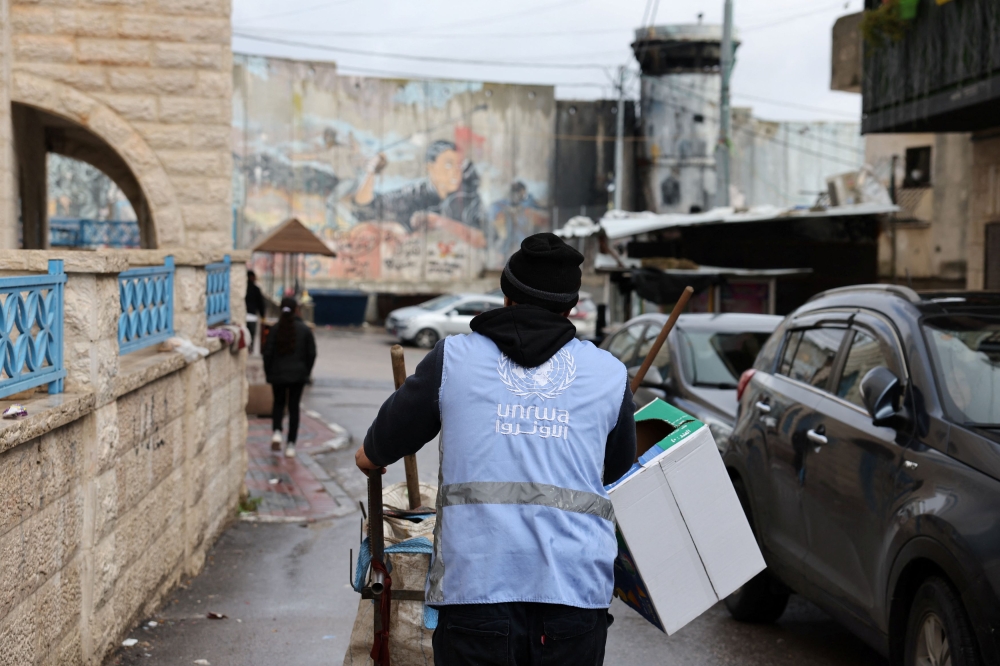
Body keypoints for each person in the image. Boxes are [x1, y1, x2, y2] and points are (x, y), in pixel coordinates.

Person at [355, 233, 636, 665]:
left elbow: (370, 457)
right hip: (574, 596)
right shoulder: (610, 375)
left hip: (476, 593)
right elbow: (615, 470)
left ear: (506, 296)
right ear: (571, 307)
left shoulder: (453, 360)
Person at [352, 140, 485, 231]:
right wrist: (372, 172)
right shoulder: (414, 195)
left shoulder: (469, 198)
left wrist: (441, 223)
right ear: (430, 167)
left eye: (459, 165)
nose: (456, 172)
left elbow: (486, 237)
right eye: (448, 165)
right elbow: (366, 206)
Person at [263, 297, 316, 458]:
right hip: (298, 376)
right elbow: (312, 354)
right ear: (296, 310)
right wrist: (306, 372)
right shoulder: (305, 330)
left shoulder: (275, 329)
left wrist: (269, 373)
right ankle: (291, 445)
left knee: (278, 404)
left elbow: (267, 354)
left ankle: (277, 432)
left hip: (277, 375)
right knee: (294, 408)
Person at [245, 270, 266, 353]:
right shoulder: (256, 289)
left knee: (245, 333)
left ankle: (246, 348)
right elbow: (261, 303)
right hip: (252, 316)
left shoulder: (244, 288)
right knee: (251, 334)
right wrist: (262, 315)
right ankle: (250, 348)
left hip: (244, 315)